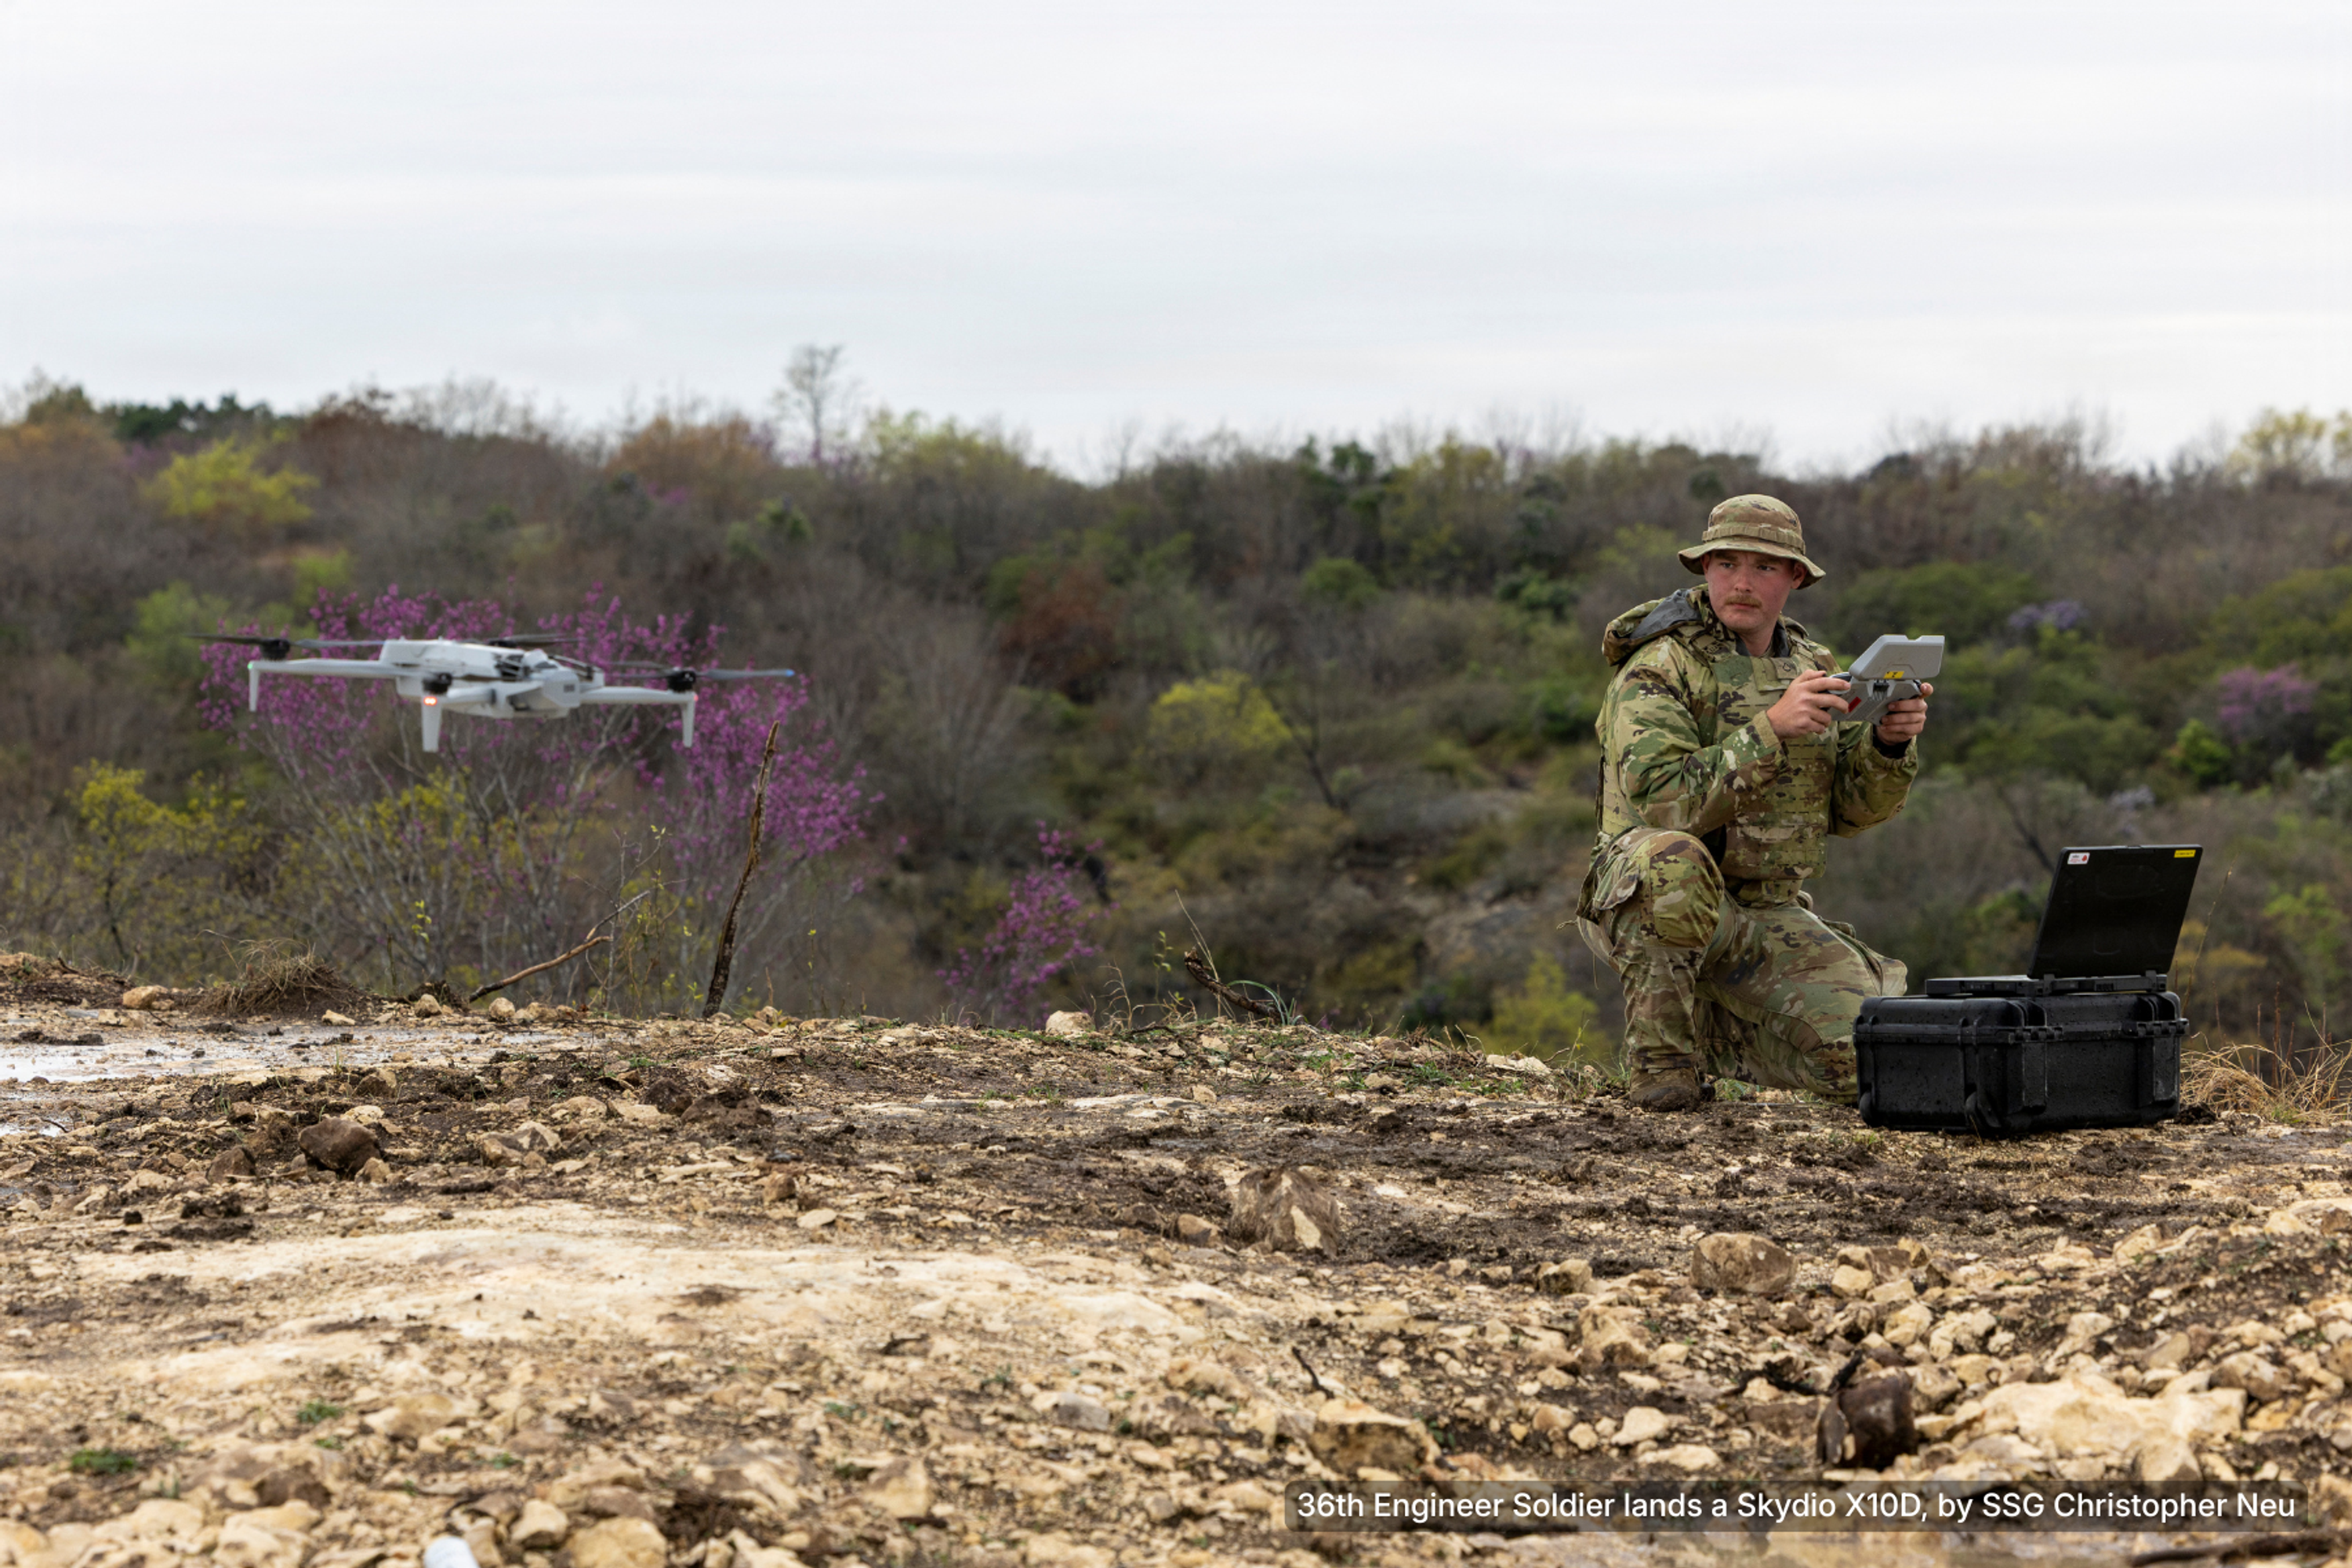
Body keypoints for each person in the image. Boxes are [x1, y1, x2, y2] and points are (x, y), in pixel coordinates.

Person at [1575, 494, 1932, 1112]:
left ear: (1794, 577)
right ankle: (1662, 1064)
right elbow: (1662, 804)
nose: (1741, 583)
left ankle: (1725, 1031)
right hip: (1651, 900)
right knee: (1673, 859)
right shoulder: (1659, 666)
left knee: (1874, 1059)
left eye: (1764, 567)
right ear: (1704, 569)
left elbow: (1847, 812)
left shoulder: (1814, 666)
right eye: (1726, 564)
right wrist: (1771, 729)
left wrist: (1886, 745)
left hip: (1765, 912)